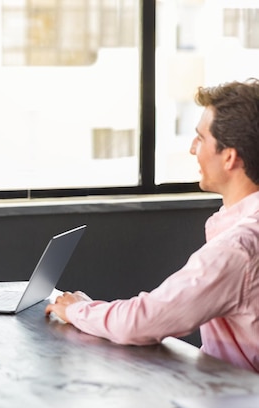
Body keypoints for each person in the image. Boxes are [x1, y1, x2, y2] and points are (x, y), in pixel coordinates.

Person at [46, 79, 259, 373]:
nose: (192, 148)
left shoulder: (239, 249)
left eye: (200, 138)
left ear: (230, 157)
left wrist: (76, 309)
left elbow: (144, 321)